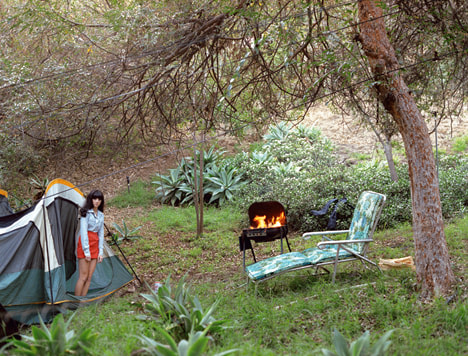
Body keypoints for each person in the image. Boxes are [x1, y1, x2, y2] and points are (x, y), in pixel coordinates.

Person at [74, 190, 105, 296]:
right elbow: (83, 232)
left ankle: (82, 303)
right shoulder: (85, 213)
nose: (97, 201)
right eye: (95, 199)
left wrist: (100, 252)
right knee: (83, 276)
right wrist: (86, 251)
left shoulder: (101, 215)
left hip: (95, 245)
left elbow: (101, 234)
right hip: (85, 245)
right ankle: (76, 303)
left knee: (89, 277)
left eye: (99, 199)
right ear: (90, 200)